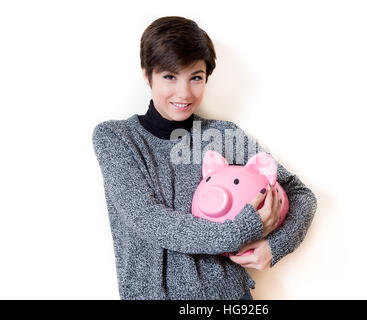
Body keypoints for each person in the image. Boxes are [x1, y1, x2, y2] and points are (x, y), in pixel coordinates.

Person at [92, 16, 317, 300]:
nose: (184, 93)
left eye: (196, 77)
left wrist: (277, 246)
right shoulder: (116, 138)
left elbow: (300, 193)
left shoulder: (223, 135)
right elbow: (149, 220)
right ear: (146, 74)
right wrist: (243, 230)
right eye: (169, 76)